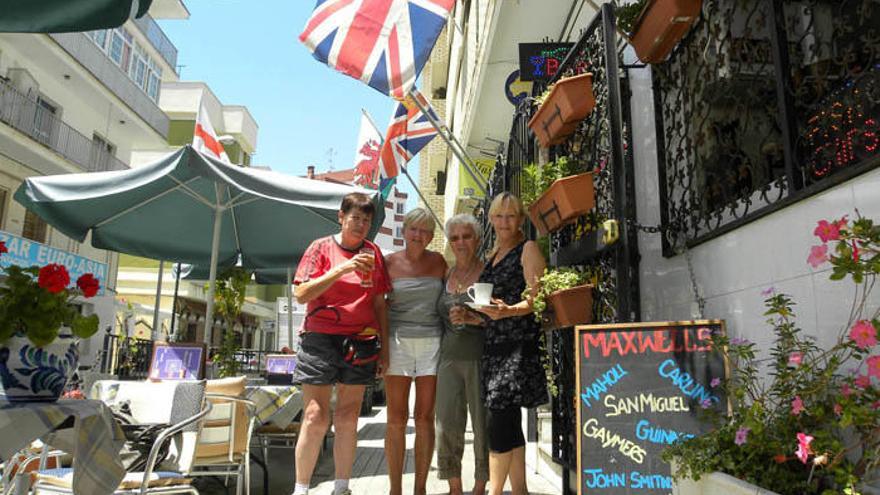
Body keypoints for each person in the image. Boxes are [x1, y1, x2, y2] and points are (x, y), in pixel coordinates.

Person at [290, 192, 391, 495]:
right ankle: (302, 488)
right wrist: (341, 270)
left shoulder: (373, 253)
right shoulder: (320, 248)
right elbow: (301, 294)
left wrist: (384, 349)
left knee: (348, 416)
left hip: (360, 340)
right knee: (315, 416)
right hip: (320, 337)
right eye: (356, 218)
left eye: (367, 221)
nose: (361, 225)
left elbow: (379, 304)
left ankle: (342, 488)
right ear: (341, 217)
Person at [472, 192, 548, 495]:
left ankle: (495, 491)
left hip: (516, 350)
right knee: (509, 424)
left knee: (499, 425)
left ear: (520, 218)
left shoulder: (527, 248)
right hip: (494, 348)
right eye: (499, 216)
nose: (505, 222)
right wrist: (475, 317)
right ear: (491, 219)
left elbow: (537, 298)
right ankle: (520, 491)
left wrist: (508, 310)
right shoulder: (493, 254)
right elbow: (492, 306)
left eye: (511, 215)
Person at [384, 208, 447, 495]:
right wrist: (382, 349)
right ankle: (395, 489)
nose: (419, 235)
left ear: (432, 236)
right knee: (396, 419)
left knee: (424, 418)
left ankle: (419, 488)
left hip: (432, 343)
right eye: (414, 229)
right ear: (404, 230)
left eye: (425, 231)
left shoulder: (439, 263)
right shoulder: (388, 263)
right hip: (398, 343)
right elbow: (379, 307)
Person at [436, 213, 489, 495]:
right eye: (454, 237)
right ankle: (454, 487)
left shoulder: (487, 272)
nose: (460, 242)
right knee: (446, 425)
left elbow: (498, 318)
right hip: (448, 359)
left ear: (477, 239)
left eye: (466, 236)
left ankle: (480, 486)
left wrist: (473, 318)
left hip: (479, 357)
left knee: (482, 425)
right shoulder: (446, 274)